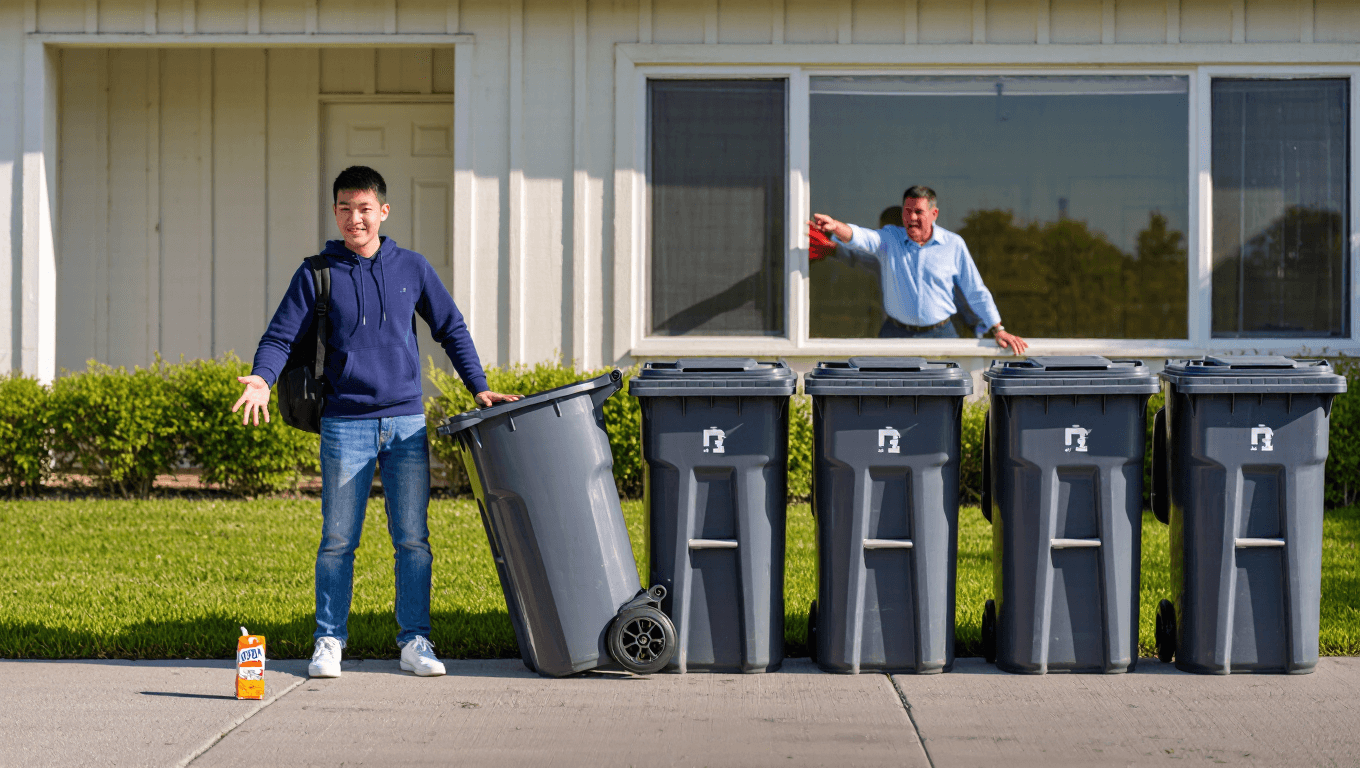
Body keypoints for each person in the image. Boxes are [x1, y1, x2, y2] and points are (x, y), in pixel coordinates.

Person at [232, 165, 519, 680]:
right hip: (346, 425)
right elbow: (279, 336)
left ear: (383, 212)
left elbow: (450, 328)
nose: (354, 218)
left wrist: (478, 386)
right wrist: (261, 379)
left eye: (364, 208)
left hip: (406, 423)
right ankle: (329, 641)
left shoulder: (412, 267)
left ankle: (414, 642)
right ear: (336, 212)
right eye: (344, 208)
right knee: (338, 540)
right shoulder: (317, 272)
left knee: (412, 539)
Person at [810, 185, 1028, 354]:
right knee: (889, 396)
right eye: (907, 211)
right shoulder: (890, 238)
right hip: (895, 333)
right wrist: (835, 226)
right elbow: (862, 237)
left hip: (941, 333)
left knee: (945, 397)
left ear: (934, 214)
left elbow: (975, 290)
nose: (911, 218)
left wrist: (997, 329)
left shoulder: (953, 244)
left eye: (918, 212)